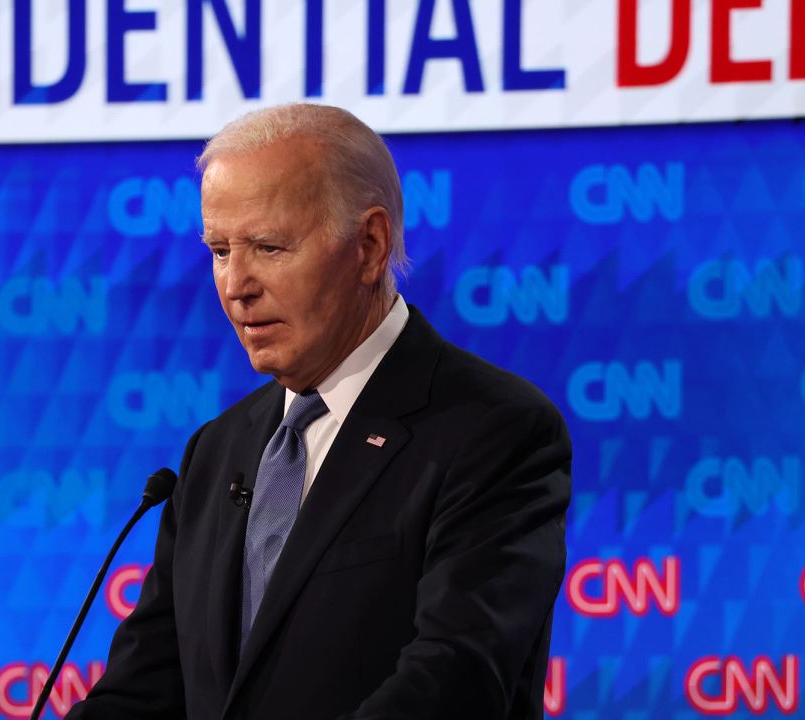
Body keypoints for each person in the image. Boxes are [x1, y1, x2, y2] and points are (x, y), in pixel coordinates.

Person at [66, 103, 571, 719]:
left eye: (269, 247)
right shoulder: (216, 450)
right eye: (221, 250)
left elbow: (452, 682)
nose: (236, 284)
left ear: (369, 244)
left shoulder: (492, 431)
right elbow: (144, 690)